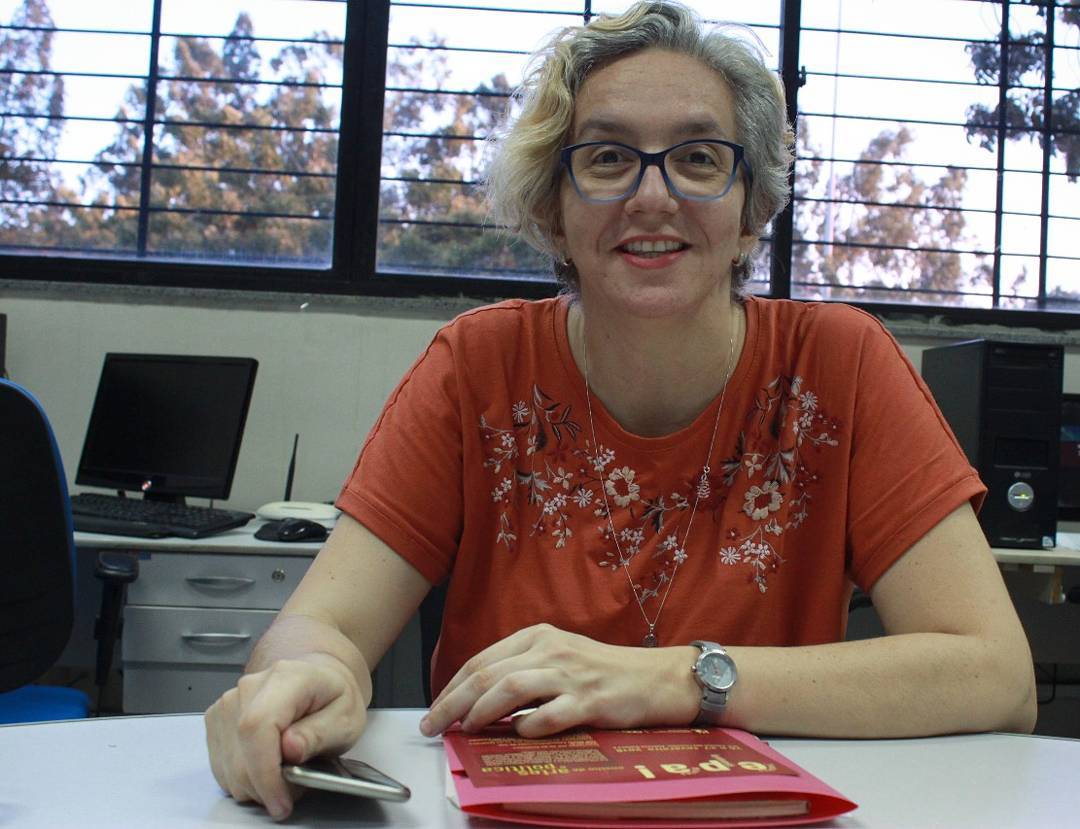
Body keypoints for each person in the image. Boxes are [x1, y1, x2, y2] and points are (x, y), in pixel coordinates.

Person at [205, 1, 1036, 820]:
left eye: (700, 158)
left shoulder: (840, 365)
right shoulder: (478, 367)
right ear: (552, 210)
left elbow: (995, 676)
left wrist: (673, 679)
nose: (652, 195)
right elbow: (321, 626)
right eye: (606, 158)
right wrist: (303, 677)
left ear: (751, 212)